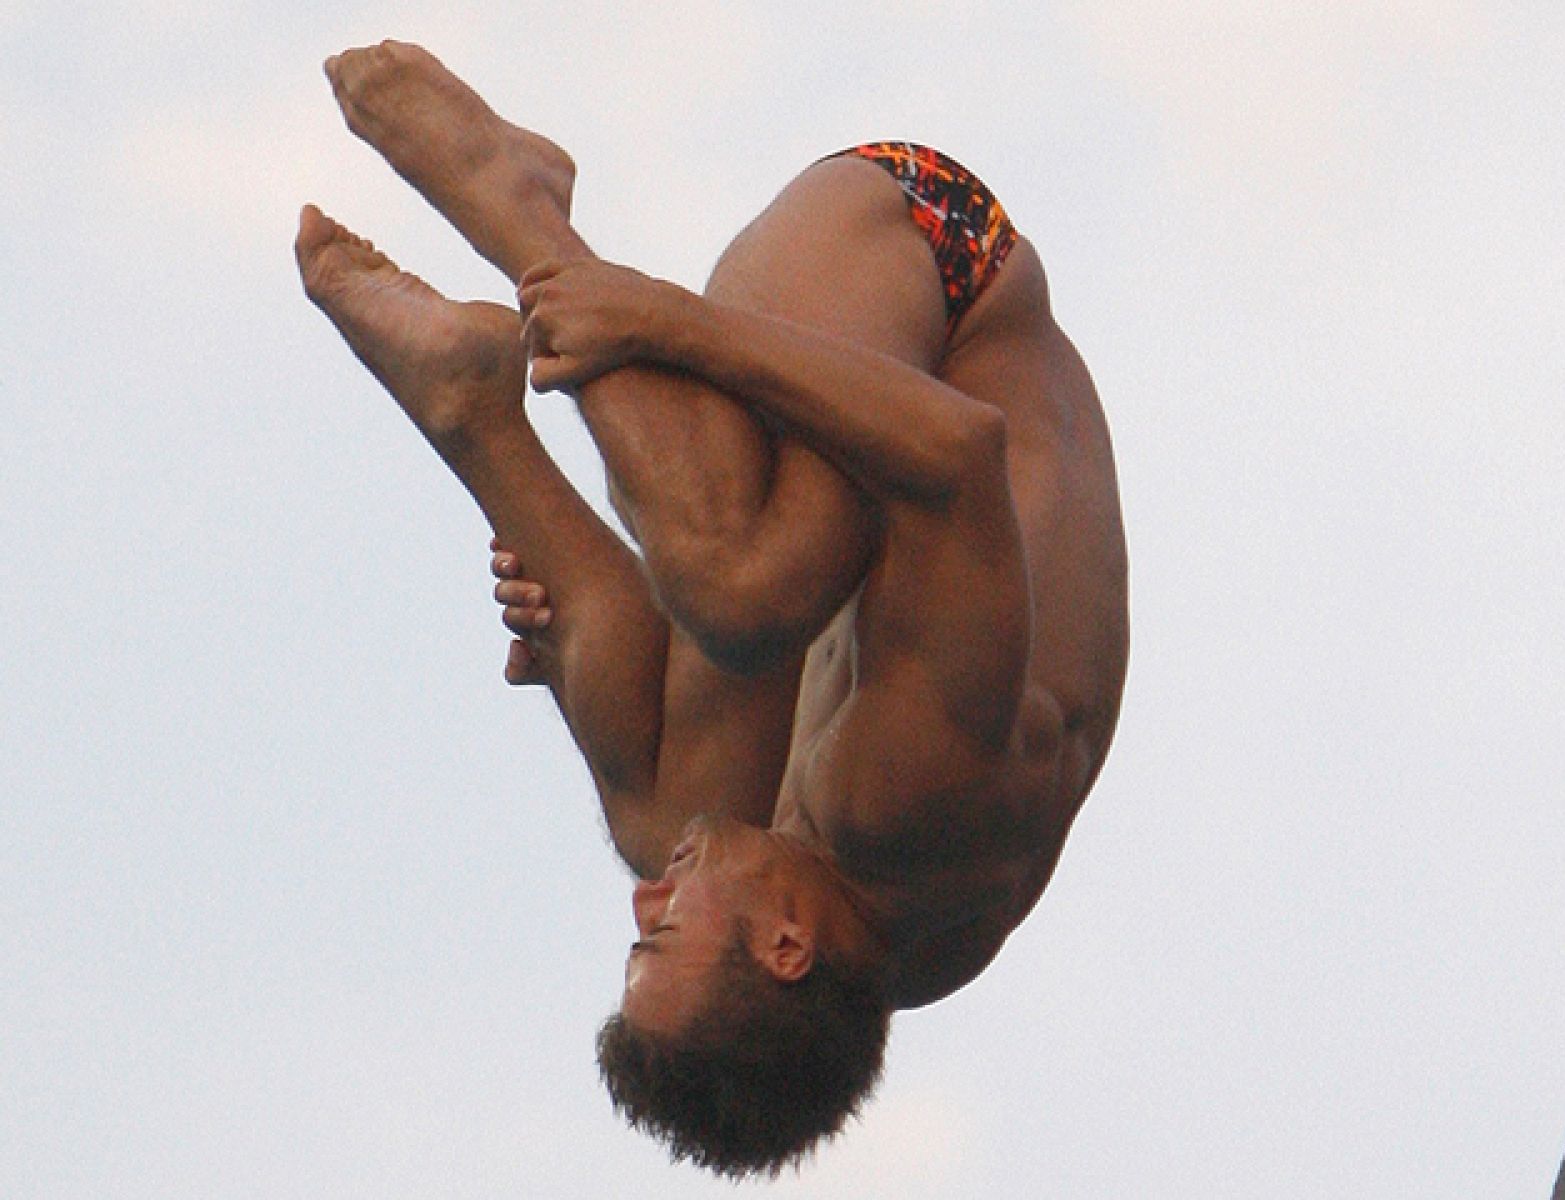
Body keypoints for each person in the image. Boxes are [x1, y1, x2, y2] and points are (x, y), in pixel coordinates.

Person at [296, 41, 1128, 1178]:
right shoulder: (912, 801)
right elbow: (952, 458)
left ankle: (475, 412)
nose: (644, 899)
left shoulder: (881, 936)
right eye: (661, 932)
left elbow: (794, 675)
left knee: (672, 810)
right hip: (933, 257)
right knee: (740, 590)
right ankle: (523, 211)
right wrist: (651, 322)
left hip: (857, 444)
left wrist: (592, 647)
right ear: (787, 948)